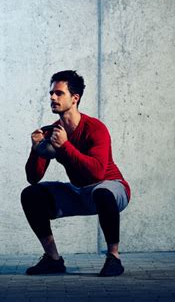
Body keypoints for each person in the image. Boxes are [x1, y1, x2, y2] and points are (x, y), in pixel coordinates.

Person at [21, 70, 131, 277]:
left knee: (102, 192)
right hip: (80, 192)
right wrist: (35, 150)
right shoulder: (52, 131)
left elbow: (97, 173)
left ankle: (114, 257)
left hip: (110, 186)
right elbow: (33, 177)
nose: (53, 97)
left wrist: (65, 147)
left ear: (75, 98)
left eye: (59, 93)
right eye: (51, 93)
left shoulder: (95, 128)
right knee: (31, 194)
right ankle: (53, 259)